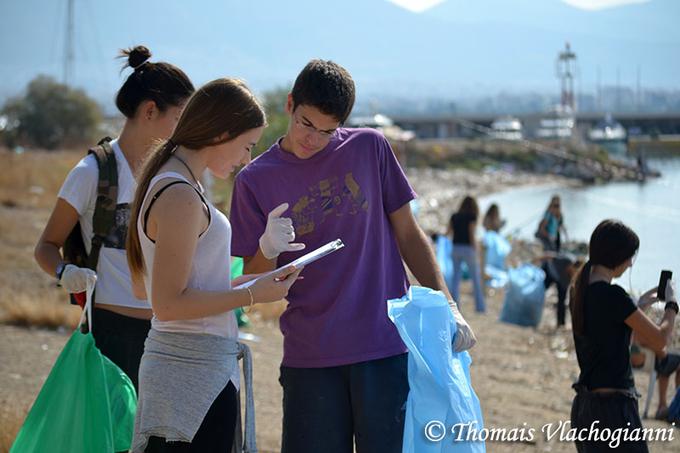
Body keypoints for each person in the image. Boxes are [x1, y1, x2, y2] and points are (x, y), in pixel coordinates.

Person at [229, 59, 476, 453]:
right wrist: (265, 248)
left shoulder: (369, 147)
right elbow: (255, 283)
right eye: (306, 124)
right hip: (310, 357)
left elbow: (409, 235)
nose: (313, 139)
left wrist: (448, 303)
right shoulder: (253, 180)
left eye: (327, 132)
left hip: (384, 346)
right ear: (290, 104)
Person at [125, 78, 303, 452]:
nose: (247, 159)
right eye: (246, 146)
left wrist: (261, 272)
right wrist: (252, 293)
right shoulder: (180, 194)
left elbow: (180, 289)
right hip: (191, 373)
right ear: (222, 133)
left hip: (195, 370)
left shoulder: (178, 183)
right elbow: (168, 304)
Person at [34, 45, 194, 390]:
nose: (184, 130)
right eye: (180, 117)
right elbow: (46, 246)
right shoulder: (91, 172)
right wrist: (65, 271)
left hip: (164, 331)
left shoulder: (174, 175)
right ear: (151, 111)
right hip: (109, 332)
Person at [569, 219, 678, 452]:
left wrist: (636, 307)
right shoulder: (614, 296)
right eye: (630, 257)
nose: (630, 265)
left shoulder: (578, 290)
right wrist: (672, 306)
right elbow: (661, 340)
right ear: (617, 256)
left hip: (585, 409)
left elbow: (606, 337)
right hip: (614, 413)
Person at [448, 195, 485, 312]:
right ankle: (480, 307)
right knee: (475, 278)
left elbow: (448, 232)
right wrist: (476, 248)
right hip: (468, 248)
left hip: (455, 248)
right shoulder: (472, 216)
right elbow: (471, 234)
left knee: (456, 279)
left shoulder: (454, 216)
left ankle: (455, 306)